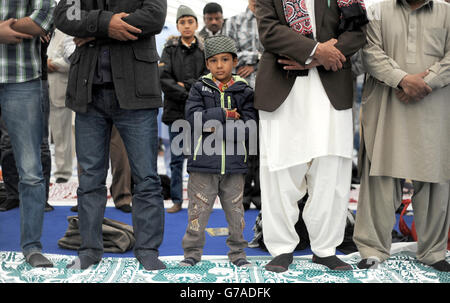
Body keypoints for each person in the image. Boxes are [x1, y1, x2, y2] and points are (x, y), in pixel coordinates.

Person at [255, 0, 367, 272]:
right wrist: (314, 50)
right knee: (280, 170)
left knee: (331, 170)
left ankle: (325, 248)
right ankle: (282, 248)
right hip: (283, 87)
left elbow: (357, 32)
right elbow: (268, 29)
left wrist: (322, 57)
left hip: (331, 86)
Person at [54, 0, 167, 271]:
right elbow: (64, 17)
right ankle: (90, 250)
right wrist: (108, 24)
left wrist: (93, 28)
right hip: (88, 92)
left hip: (137, 91)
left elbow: (154, 17)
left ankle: (148, 250)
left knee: (147, 179)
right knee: (90, 180)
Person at [353, 0, 450, 272]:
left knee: (434, 177)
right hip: (387, 103)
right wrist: (403, 80)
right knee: (380, 175)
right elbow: (369, 53)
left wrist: (425, 82)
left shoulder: (447, 12)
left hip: (435, 105)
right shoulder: (376, 11)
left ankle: (433, 251)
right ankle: (372, 248)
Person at [179, 35, 257, 267]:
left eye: (225, 59)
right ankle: (192, 253)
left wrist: (214, 128)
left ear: (234, 61)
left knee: (236, 214)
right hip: (202, 166)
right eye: (213, 61)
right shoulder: (199, 88)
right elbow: (193, 120)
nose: (220, 65)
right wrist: (226, 114)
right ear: (207, 64)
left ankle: (238, 254)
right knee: (197, 212)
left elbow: (250, 127)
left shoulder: (244, 90)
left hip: (234, 166)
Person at [0, 0, 55, 267]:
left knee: (31, 170)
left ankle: (32, 246)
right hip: (21, 75)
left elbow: (44, 16)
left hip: (21, 77)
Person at [160, 5, 208, 214]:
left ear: (196, 25)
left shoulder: (205, 50)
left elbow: (208, 78)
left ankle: (199, 200)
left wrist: (185, 85)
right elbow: (163, 79)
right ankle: (177, 199)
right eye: (182, 22)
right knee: (176, 158)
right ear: (178, 25)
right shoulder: (169, 49)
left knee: (199, 158)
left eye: (190, 22)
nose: (187, 26)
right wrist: (189, 90)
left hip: (198, 111)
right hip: (176, 111)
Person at [47, 29, 75, 184]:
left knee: (61, 133)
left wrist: (51, 64)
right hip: (40, 87)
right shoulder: (40, 34)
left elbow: (72, 61)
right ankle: (44, 171)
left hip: (60, 88)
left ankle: (63, 172)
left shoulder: (65, 32)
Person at [225, 0, 263, 89]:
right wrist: (258, 56)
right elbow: (229, 56)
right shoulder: (233, 22)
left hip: (266, 85)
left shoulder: (271, 23)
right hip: (240, 87)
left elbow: (275, 54)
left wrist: (255, 66)